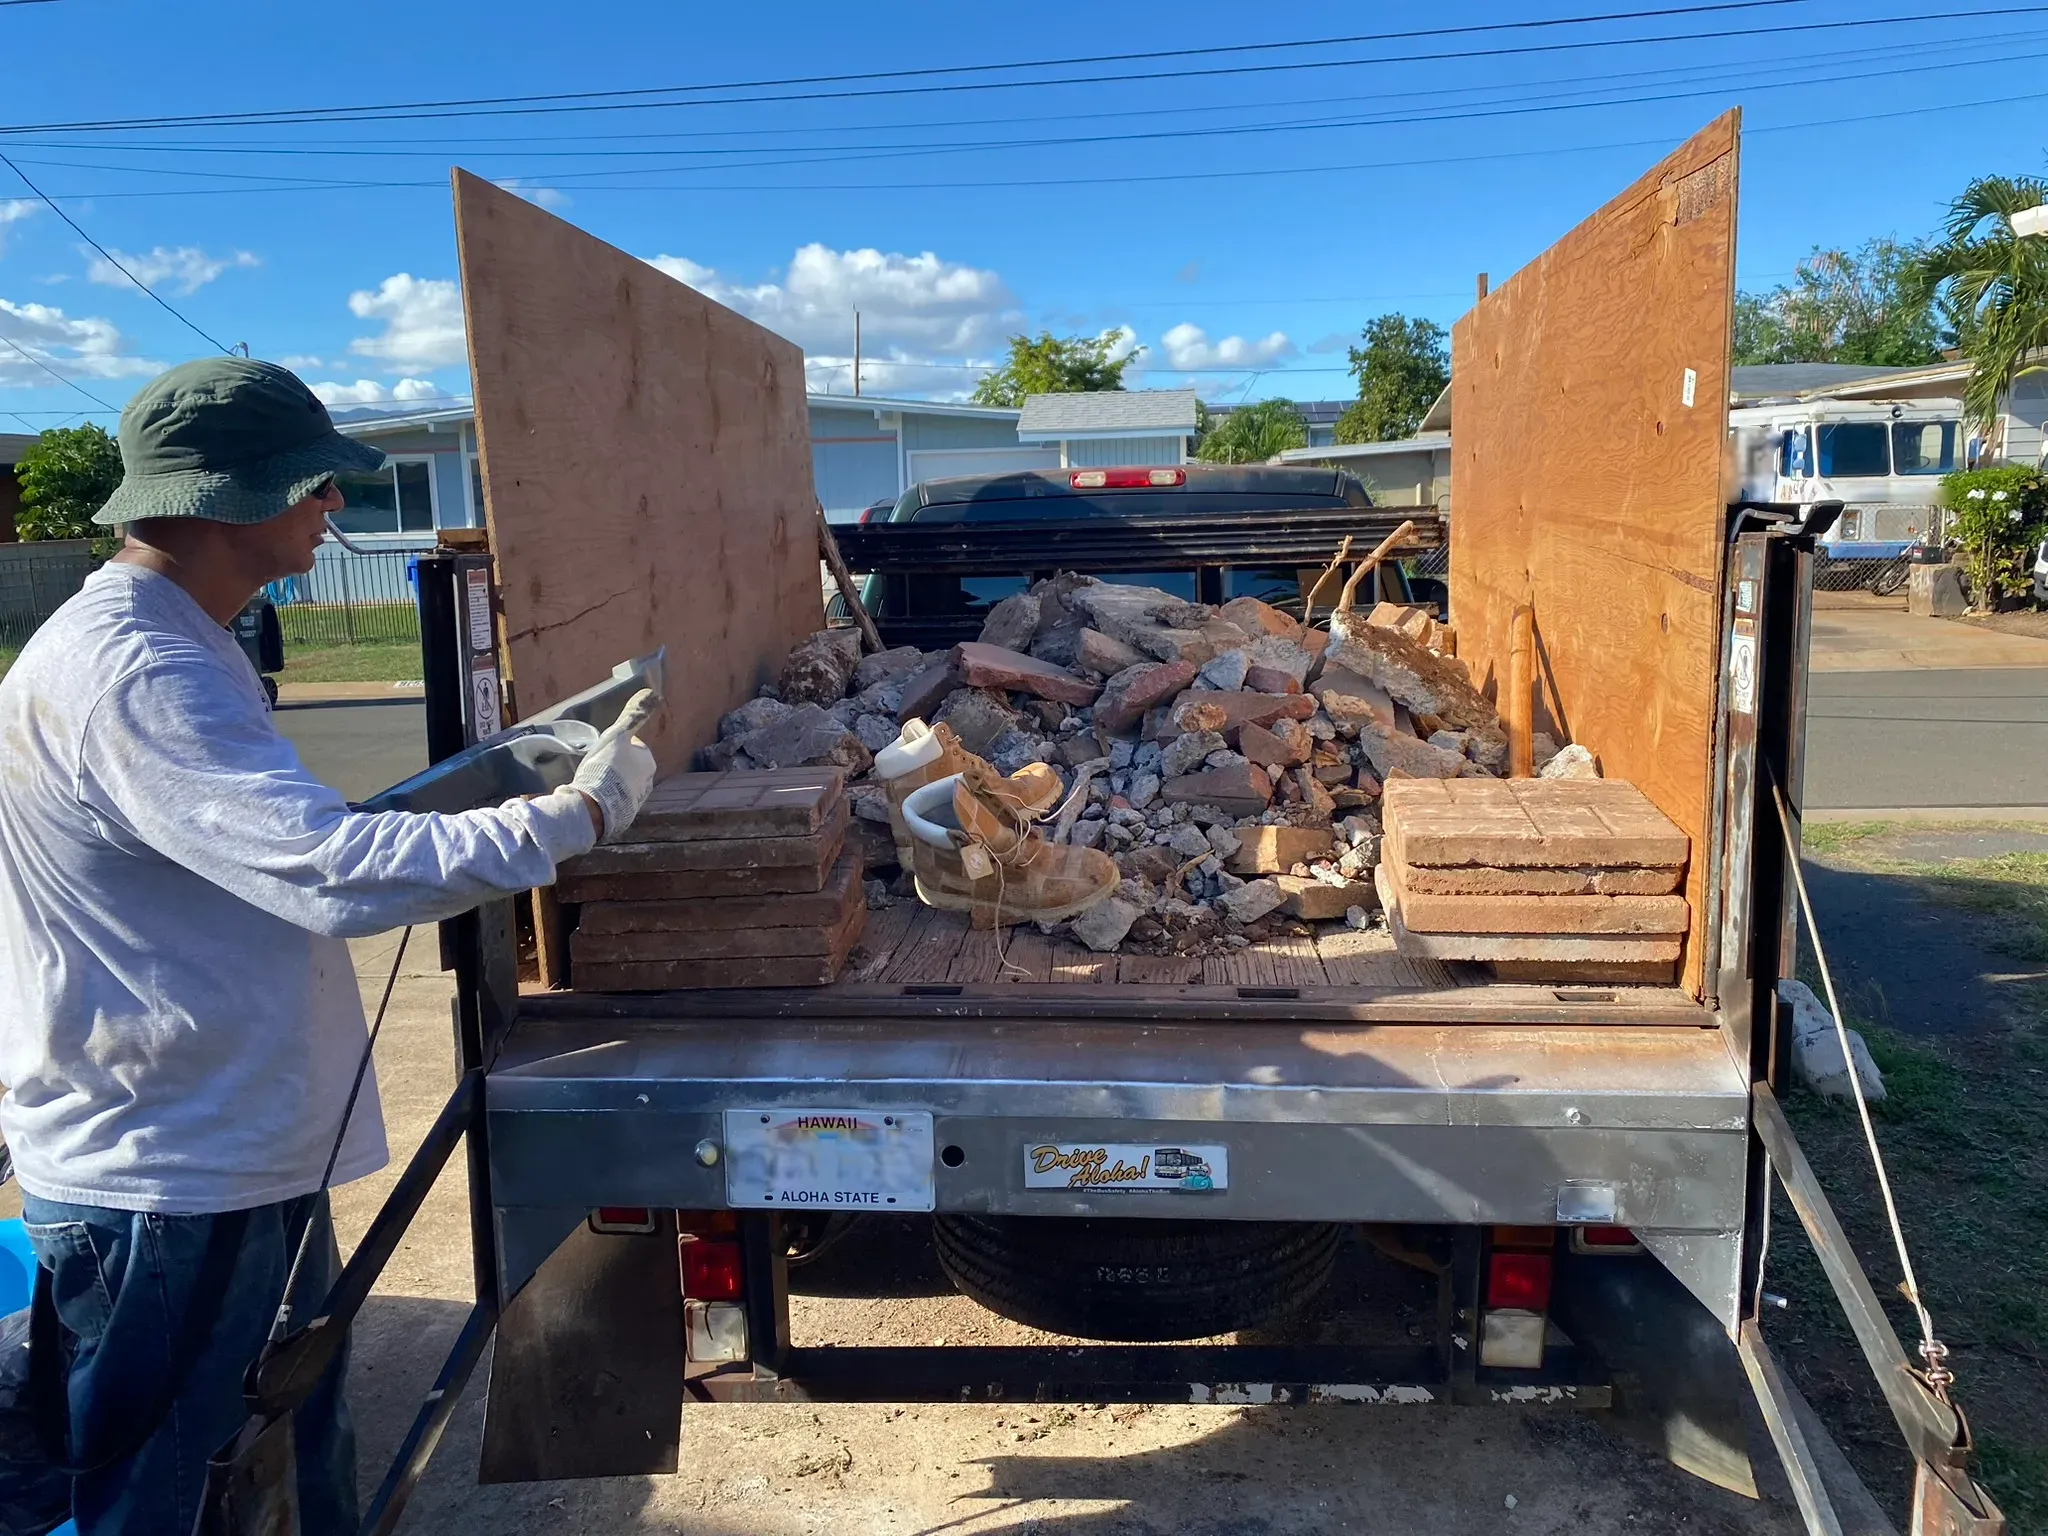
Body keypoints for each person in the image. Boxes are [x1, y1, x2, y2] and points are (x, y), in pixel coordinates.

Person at [0, 358, 659, 1535]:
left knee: (289, 1451)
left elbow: (274, 839)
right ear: (227, 498)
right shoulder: (140, 670)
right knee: (179, 1491)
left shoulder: (173, 635)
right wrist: (581, 817)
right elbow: (331, 874)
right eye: (313, 487)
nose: (331, 510)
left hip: (216, 1142)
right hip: (168, 1171)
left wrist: (507, 774)